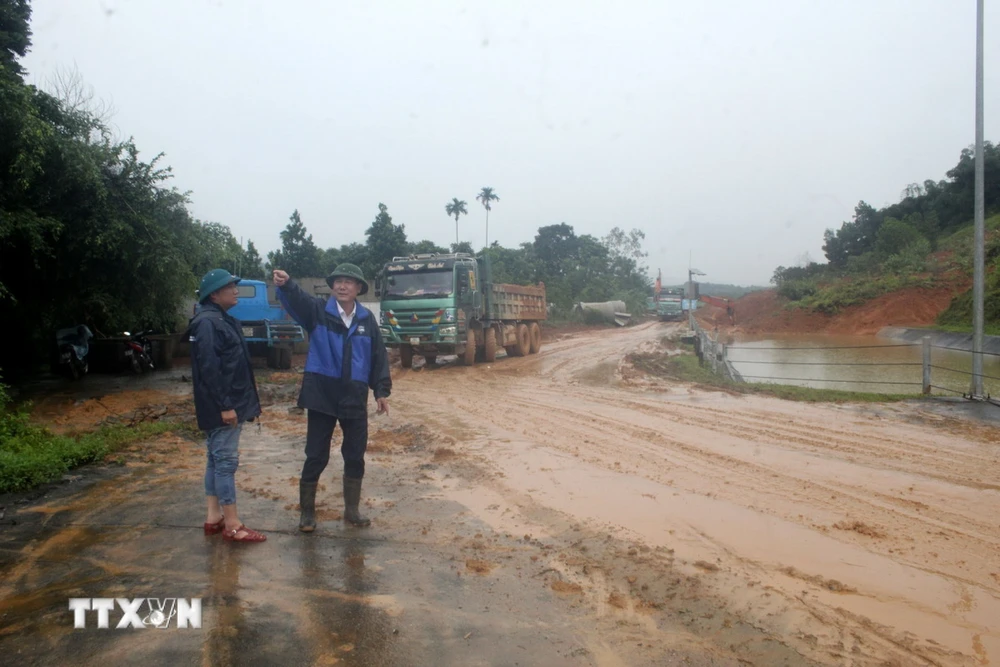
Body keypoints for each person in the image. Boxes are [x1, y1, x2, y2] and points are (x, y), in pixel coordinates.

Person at [273, 264, 391, 531]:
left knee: (354, 454)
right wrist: (287, 283)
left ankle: (352, 510)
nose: (342, 286)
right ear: (332, 286)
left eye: (349, 282)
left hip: (354, 395)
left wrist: (381, 391)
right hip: (321, 395)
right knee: (316, 455)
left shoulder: (366, 320)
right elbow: (298, 299)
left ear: (359, 288)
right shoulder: (318, 312)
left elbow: (378, 357)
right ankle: (307, 514)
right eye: (338, 281)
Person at [188, 269, 265, 543]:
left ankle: (213, 517)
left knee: (214, 459)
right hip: (223, 406)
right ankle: (232, 524)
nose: (235, 290)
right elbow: (210, 369)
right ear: (214, 294)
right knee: (225, 463)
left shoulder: (222, 319)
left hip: (224, 403)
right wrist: (225, 406)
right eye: (230, 286)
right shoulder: (209, 323)